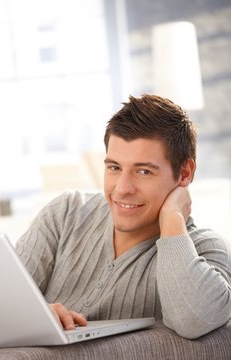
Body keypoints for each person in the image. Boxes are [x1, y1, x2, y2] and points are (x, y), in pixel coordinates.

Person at [16, 94, 231, 339]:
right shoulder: (66, 212)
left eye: (143, 171)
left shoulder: (207, 249)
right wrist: (36, 315)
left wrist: (172, 218)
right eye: (114, 168)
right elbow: (1, 302)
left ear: (184, 173)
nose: (122, 188)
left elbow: (194, 321)